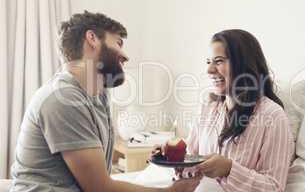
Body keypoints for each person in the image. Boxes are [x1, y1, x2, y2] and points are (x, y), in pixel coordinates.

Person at [10, 11, 201, 192]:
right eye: (118, 43)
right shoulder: (64, 99)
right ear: (92, 38)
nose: (126, 56)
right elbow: (99, 188)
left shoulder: (98, 95)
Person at [182, 29, 295, 192]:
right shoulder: (207, 109)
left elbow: (274, 187)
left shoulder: (273, 116)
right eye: (208, 62)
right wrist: (171, 158)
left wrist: (229, 169)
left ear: (244, 64)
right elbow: (190, 162)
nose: (209, 70)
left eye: (219, 61)